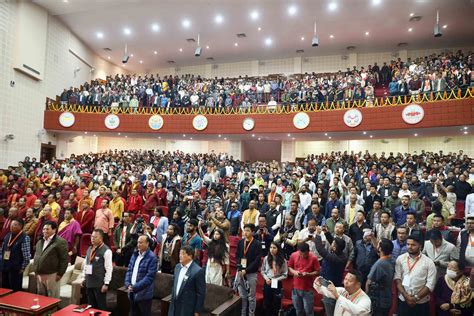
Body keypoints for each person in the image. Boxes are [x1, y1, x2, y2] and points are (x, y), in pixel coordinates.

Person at [394, 234, 437, 315]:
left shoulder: (428, 262)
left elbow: (430, 284)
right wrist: (406, 296)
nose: (410, 247)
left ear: (420, 246)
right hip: (403, 300)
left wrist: (415, 298)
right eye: (408, 244)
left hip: (421, 303)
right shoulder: (400, 259)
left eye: (413, 245)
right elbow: (397, 279)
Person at [32, 221, 68, 298]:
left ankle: (54, 310)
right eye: (44, 229)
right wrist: (35, 270)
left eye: (47, 229)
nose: (45, 231)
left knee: (52, 297)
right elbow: (36, 257)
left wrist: (60, 274)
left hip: (52, 274)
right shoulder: (40, 241)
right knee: (41, 296)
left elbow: (64, 259)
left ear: (54, 230)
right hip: (40, 274)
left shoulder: (60, 242)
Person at [125, 235, 158, 316]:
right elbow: (129, 270)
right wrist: (127, 284)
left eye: (141, 242)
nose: (138, 244)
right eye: (138, 242)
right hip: (132, 292)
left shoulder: (152, 257)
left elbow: (149, 277)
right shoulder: (135, 254)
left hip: (144, 294)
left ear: (147, 244)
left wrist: (135, 287)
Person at [168, 245, 206, 316]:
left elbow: (201, 293)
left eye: (182, 254)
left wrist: (197, 311)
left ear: (190, 256)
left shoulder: (198, 271)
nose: (180, 256)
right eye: (179, 253)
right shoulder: (177, 267)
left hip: (187, 308)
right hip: (174, 306)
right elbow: (174, 285)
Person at [81, 229, 113, 310]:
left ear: (101, 238)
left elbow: (109, 268)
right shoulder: (89, 249)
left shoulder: (107, 251)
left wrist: (106, 283)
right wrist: (83, 278)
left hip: (99, 284)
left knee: (101, 307)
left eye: (95, 237)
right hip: (89, 282)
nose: (92, 239)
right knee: (91, 307)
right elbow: (86, 264)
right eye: (92, 237)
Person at [288, 242, 320, 316]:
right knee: (298, 310)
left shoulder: (314, 258)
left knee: (309, 311)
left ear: (308, 251)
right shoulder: (294, 255)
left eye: (304, 254)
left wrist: (308, 274)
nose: (302, 256)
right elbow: (289, 267)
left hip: (307, 289)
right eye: (301, 254)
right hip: (295, 288)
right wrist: (295, 272)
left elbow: (318, 272)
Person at [236, 223, 261, 316]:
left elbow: (257, 261)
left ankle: (251, 314)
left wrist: (246, 270)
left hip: (251, 273)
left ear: (253, 232)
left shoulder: (257, 244)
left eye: (248, 231)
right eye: (244, 230)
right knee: (242, 296)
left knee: (251, 297)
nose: (245, 232)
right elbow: (237, 256)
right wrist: (240, 268)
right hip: (241, 272)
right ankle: (243, 313)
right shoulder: (240, 242)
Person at [366, 238, 394, 316]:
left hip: (378, 301)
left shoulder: (379, 264)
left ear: (380, 248)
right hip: (387, 298)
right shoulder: (391, 260)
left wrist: (366, 297)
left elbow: (369, 282)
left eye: (378, 244)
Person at [0, 219, 31, 291]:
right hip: (5, 266)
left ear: (20, 226)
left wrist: (22, 268)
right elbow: (2, 249)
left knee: (14, 290)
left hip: (16, 268)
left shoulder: (24, 237)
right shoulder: (8, 235)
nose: (11, 226)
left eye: (14, 225)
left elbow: (26, 256)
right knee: (4, 289)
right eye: (11, 224)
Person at [261, 242, 288, 316]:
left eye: (274, 248)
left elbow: (285, 275)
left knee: (276, 303)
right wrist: (266, 278)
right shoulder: (266, 258)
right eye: (270, 247)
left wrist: (275, 280)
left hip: (277, 282)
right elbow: (262, 271)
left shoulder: (283, 260)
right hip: (268, 282)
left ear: (278, 249)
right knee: (267, 302)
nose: (272, 250)